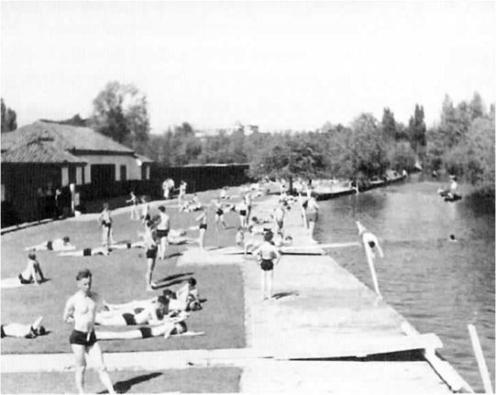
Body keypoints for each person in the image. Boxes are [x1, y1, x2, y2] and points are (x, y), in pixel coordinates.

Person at [63, 269, 115, 394]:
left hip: (91, 336)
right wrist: (74, 318)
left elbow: (106, 308)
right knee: (81, 367)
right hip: (78, 337)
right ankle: (82, 393)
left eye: (89, 283)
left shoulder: (95, 297)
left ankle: (112, 392)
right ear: (79, 284)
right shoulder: (74, 300)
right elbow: (65, 317)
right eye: (85, 284)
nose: (88, 286)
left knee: (101, 366)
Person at [95, 295, 171, 326]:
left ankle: (92, 316)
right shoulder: (153, 308)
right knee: (105, 322)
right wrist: (168, 321)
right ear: (161, 304)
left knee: (106, 318)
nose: (163, 308)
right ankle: (89, 318)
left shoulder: (152, 306)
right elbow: (156, 322)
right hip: (129, 319)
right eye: (163, 306)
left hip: (130, 317)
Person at [96, 317, 192, 340]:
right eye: (181, 329)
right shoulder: (171, 326)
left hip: (146, 331)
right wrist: (177, 335)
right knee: (121, 336)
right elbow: (166, 337)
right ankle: (98, 335)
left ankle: (99, 335)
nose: (180, 331)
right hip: (146, 332)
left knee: (122, 335)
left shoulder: (170, 324)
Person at [356, 221, 384, 297]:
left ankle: (359, 224)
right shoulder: (367, 239)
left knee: (361, 229)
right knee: (360, 230)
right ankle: (359, 224)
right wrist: (374, 253)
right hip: (365, 235)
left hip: (367, 234)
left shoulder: (374, 240)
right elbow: (372, 248)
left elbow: (377, 247)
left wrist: (380, 253)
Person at [253, 231, 281, 300]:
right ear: (271, 238)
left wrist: (258, 261)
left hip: (263, 261)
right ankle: (269, 295)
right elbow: (278, 255)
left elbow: (254, 254)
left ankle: (262, 296)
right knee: (270, 280)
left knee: (263, 279)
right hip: (269, 262)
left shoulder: (262, 246)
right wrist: (276, 262)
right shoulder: (271, 247)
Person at [144, 220, 159, 291]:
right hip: (151, 250)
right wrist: (156, 243)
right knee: (150, 269)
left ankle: (150, 281)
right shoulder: (149, 233)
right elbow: (153, 242)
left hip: (153, 250)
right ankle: (148, 286)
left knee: (152, 268)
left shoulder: (151, 232)